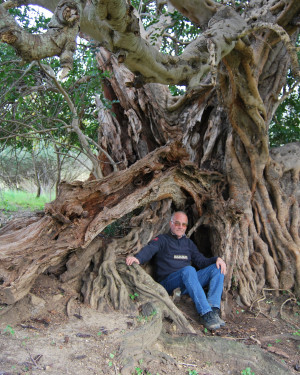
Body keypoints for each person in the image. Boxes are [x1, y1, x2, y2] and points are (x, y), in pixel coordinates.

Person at [126, 211, 227, 330]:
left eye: (184, 224)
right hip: (169, 283)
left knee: (217, 268)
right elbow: (150, 249)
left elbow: (201, 261)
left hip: (189, 281)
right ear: (171, 223)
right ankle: (205, 314)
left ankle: (213, 310)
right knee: (189, 270)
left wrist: (217, 259)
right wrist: (137, 258)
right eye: (177, 223)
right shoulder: (162, 239)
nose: (180, 227)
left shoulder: (188, 243)